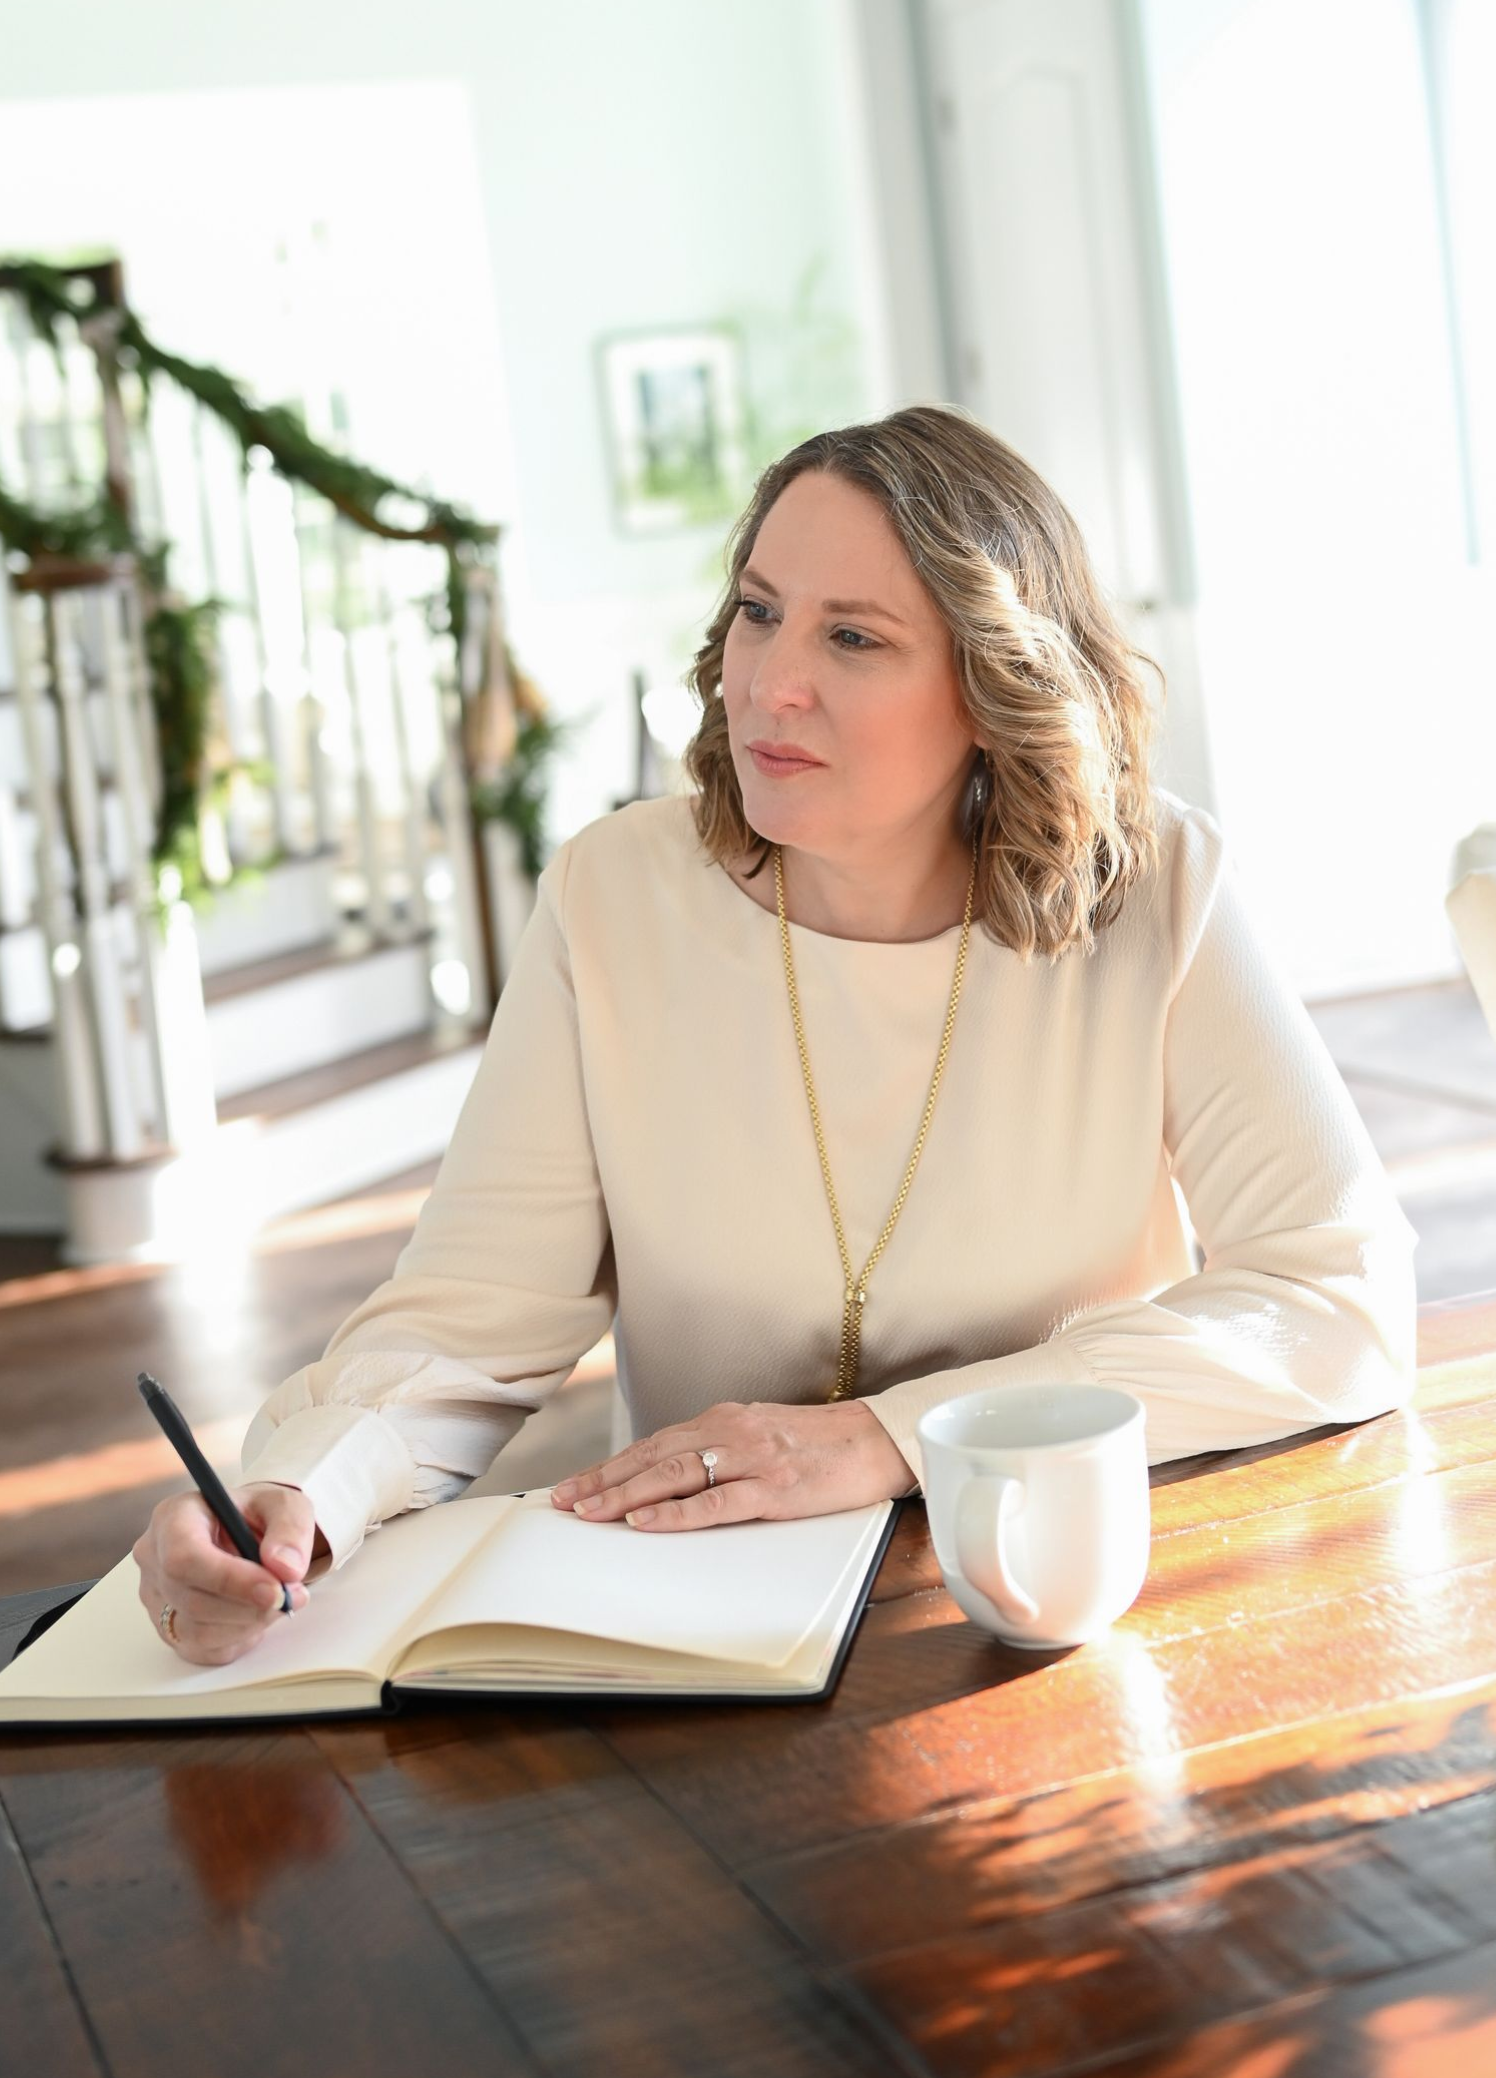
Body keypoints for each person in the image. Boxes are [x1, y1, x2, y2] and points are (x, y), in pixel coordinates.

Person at [133, 404, 1419, 1664]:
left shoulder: (1152, 885)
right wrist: (305, 1491)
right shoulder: (611, 898)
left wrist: (888, 1436)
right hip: (701, 1633)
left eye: (852, 637)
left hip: (1047, 1607)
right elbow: (470, 1314)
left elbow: (1335, 1290)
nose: (770, 682)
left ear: (994, 685)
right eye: (757, 611)